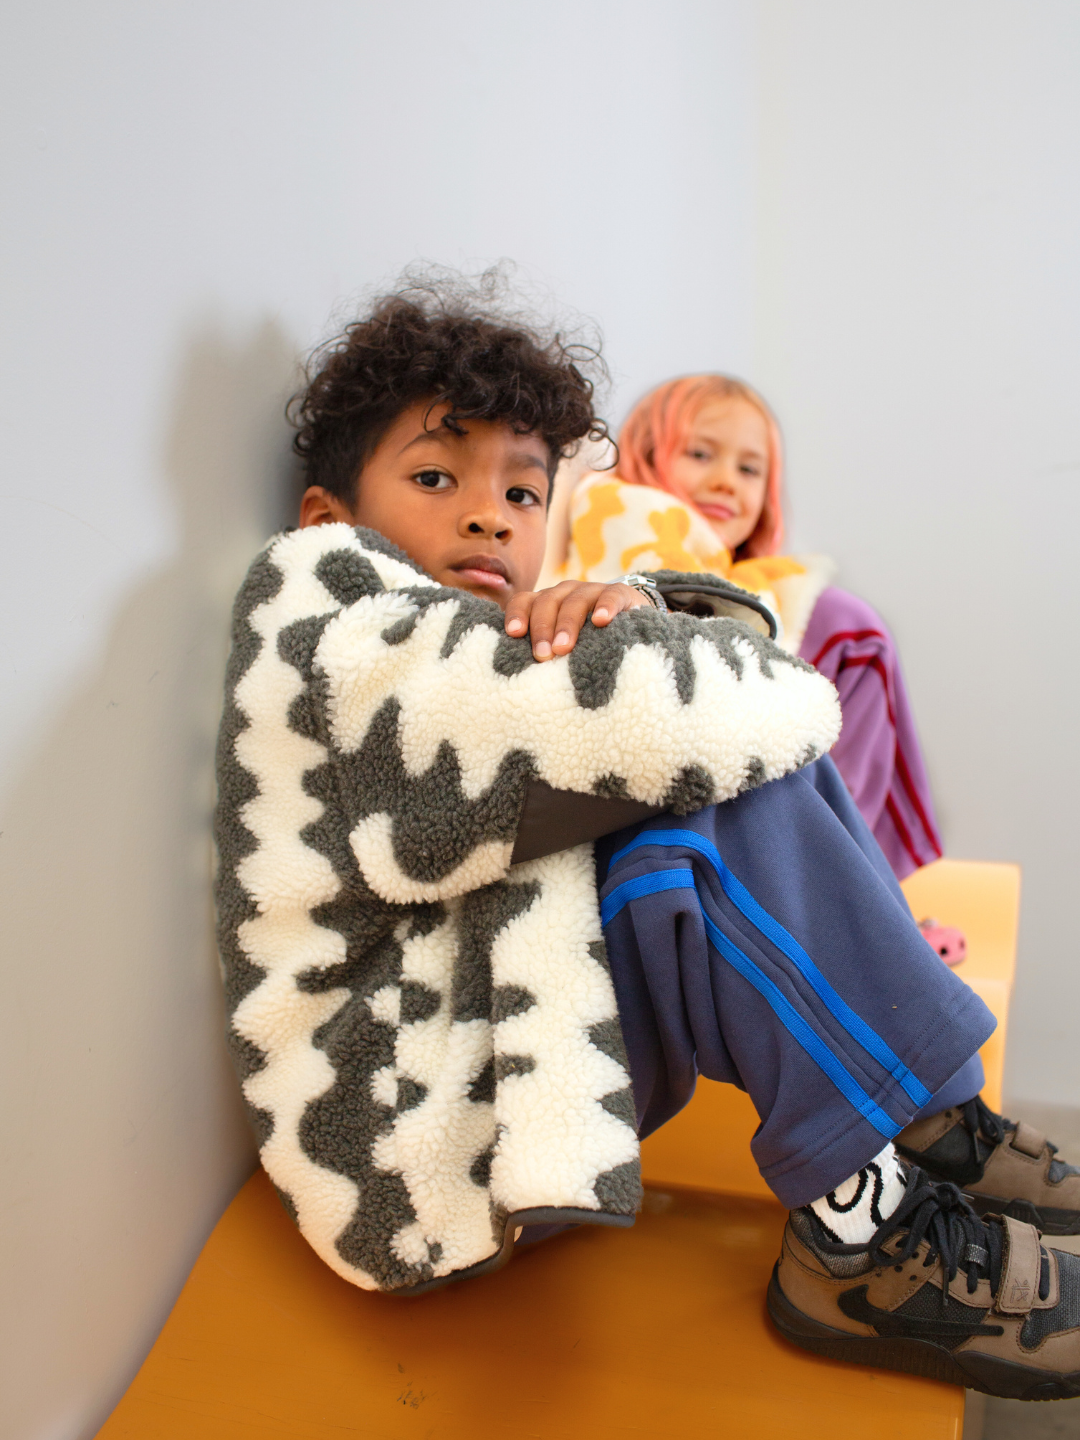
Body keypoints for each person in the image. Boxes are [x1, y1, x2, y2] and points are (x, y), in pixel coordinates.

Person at [214, 274, 1080, 1402]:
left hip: (504, 1070)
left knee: (716, 769)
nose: (489, 517)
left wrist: (638, 611)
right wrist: (652, 622)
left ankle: (933, 1130)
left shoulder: (467, 639)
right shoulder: (332, 619)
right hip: (413, 1149)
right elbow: (729, 713)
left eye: (522, 493)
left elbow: (732, 704)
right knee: (707, 796)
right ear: (331, 519)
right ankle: (861, 1236)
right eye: (436, 478)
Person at [552, 375, 943, 883]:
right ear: (645, 455)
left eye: (749, 469)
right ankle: (848, 868)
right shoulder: (619, 514)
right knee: (851, 628)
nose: (726, 481)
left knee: (853, 631)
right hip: (659, 795)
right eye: (699, 454)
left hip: (772, 810)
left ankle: (849, 864)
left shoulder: (767, 585)